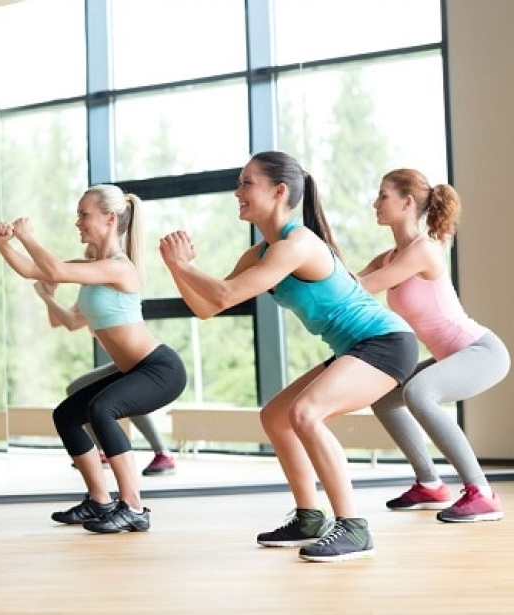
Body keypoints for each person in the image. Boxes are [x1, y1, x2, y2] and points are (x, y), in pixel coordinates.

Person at [158, 151, 418, 562]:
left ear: (279, 192)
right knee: (276, 416)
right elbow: (209, 307)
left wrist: (182, 264)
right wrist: (177, 269)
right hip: (357, 347)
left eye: (246, 183)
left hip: (386, 342)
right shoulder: (261, 253)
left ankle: (353, 527)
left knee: (306, 414)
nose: (237, 192)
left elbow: (223, 293)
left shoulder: (298, 244)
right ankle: (309, 518)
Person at [0, 184, 187, 534]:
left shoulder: (120, 268)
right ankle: (100, 500)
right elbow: (32, 271)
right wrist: (3, 244)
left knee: (101, 409)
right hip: (132, 369)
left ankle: (134, 507)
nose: (77, 222)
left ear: (110, 218)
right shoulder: (93, 267)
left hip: (160, 369)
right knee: (66, 415)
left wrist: (27, 237)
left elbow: (52, 270)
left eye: (84, 214)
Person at [357, 168, 509, 522]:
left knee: (419, 392)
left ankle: (482, 493)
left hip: (482, 352)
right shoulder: (389, 257)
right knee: (384, 398)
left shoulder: (423, 250)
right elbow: (352, 284)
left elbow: (365, 287)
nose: (375, 203)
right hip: (452, 356)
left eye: (383, 196)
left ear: (407, 202)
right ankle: (430, 484)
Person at [33, 261, 176, 476]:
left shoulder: (105, 290)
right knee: (77, 390)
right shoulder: (90, 294)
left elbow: (72, 322)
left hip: (141, 360)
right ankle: (100, 450)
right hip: (120, 361)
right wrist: (49, 297)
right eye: (88, 256)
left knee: (114, 401)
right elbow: (59, 321)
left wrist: (47, 296)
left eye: (94, 257)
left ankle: (162, 453)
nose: (90, 259)